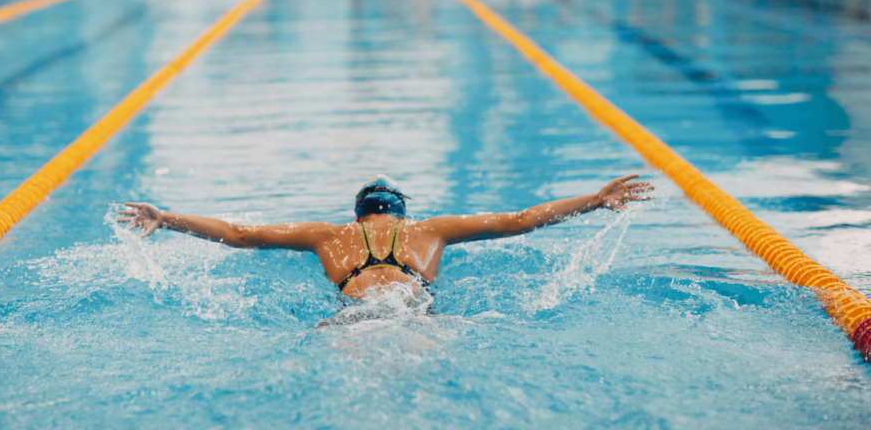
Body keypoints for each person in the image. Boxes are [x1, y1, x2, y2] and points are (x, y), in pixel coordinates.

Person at [119, 174, 654, 299]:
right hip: (412, 306)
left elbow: (238, 234)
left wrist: (165, 217)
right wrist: (594, 200)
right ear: (400, 214)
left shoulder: (328, 236)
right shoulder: (428, 231)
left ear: (358, 216)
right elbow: (520, 220)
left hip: (351, 313)